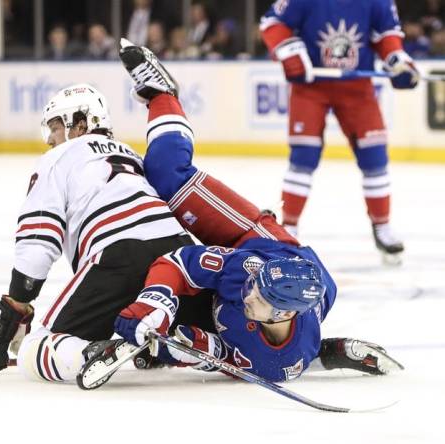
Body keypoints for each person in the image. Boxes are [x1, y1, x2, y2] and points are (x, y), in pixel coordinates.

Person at [98, 40, 402, 383]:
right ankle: (162, 93)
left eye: (258, 296)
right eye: (255, 288)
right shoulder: (248, 272)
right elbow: (179, 263)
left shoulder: (281, 352)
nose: (248, 292)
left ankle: (328, 353)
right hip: (256, 239)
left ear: (280, 314)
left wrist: (174, 349)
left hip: (289, 313)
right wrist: (157, 301)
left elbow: (222, 355)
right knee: (166, 176)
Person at [0, 83, 194, 382]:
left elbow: (38, 239)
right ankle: (174, 339)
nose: (51, 140)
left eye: (56, 128)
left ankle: (90, 353)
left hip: (118, 253)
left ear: (80, 124)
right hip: (179, 254)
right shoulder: (132, 155)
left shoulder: (58, 158)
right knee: (198, 322)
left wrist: (16, 306)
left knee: (37, 347)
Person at [260, 0, 419, 264]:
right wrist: (289, 51)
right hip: (311, 88)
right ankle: (288, 228)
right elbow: (273, 23)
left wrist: (397, 60)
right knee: (303, 158)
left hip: (357, 88)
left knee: (375, 158)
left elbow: (386, 35)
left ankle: (382, 227)